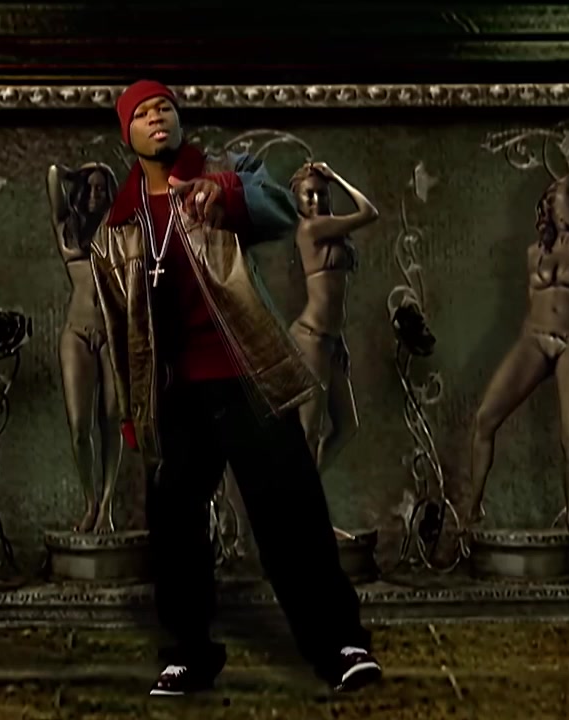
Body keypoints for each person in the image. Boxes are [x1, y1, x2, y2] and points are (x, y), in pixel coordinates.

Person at [88, 80, 381, 696]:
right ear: (127, 135)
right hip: (172, 391)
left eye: (165, 108)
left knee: (291, 510)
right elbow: (120, 329)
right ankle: (189, 654)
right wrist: (133, 412)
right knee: (174, 528)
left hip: (245, 372)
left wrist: (224, 192)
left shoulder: (222, 176)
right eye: (142, 114)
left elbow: (279, 208)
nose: (157, 118)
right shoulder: (118, 227)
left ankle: (340, 644)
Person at [463, 170, 569, 543]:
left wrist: (567, 186)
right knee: (485, 419)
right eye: (554, 203)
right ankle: (473, 509)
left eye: (565, 202)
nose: (561, 209)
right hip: (535, 339)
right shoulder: (535, 252)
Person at [45, 162, 124, 533]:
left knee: (111, 420)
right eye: (89, 187)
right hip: (76, 332)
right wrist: (77, 172)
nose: (94, 194)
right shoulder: (67, 227)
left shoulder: (119, 229)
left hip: (112, 332)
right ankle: (90, 500)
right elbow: (52, 175)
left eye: (101, 188)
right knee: (79, 426)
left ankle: (107, 504)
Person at [287, 162, 379, 480]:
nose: (316, 201)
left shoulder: (331, 230)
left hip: (329, 340)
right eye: (308, 195)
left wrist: (338, 338)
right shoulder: (310, 229)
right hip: (310, 339)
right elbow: (369, 212)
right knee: (308, 431)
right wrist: (336, 177)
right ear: (297, 199)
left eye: (322, 194)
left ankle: (305, 495)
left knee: (346, 425)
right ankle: (301, 502)